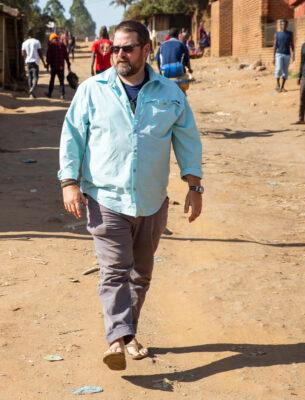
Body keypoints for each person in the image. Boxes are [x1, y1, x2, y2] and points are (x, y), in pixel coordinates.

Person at [58, 20, 203, 371]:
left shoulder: (170, 94)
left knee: (141, 273)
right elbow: (72, 135)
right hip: (105, 197)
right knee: (114, 271)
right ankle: (116, 341)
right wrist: (69, 182)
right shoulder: (92, 90)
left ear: (146, 50)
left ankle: (127, 331)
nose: (119, 55)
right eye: (114, 48)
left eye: (127, 48)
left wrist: (194, 187)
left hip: (152, 200)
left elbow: (187, 141)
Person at [45, 32, 71, 100]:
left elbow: (48, 57)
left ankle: (50, 94)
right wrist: (68, 64)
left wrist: (47, 65)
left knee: (52, 80)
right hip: (61, 66)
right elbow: (66, 56)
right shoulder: (62, 45)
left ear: (51, 39)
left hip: (53, 66)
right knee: (61, 81)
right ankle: (62, 95)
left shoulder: (51, 45)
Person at [21, 30, 46, 98]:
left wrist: (27, 59)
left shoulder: (24, 43)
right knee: (35, 78)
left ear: (28, 35)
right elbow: (40, 53)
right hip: (35, 62)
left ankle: (31, 94)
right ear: (33, 34)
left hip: (28, 63)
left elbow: (23, 54)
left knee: (30, 77)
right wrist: (44, 63)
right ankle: (32, 89)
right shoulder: (37, 42)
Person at [273, 19, 294, 92]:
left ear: (287, 25)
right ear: (280, 25)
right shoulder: (277, 34)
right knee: (278, 68)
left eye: (285, 24)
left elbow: (292, 44)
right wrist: (273, 57)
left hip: (287, 55)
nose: (283, 26)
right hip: (279, 54)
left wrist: (293, 54)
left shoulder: (290, 34)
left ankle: (282, 87)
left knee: (285, 71)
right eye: (282, 24)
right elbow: (275, 45)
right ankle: (278, 84)